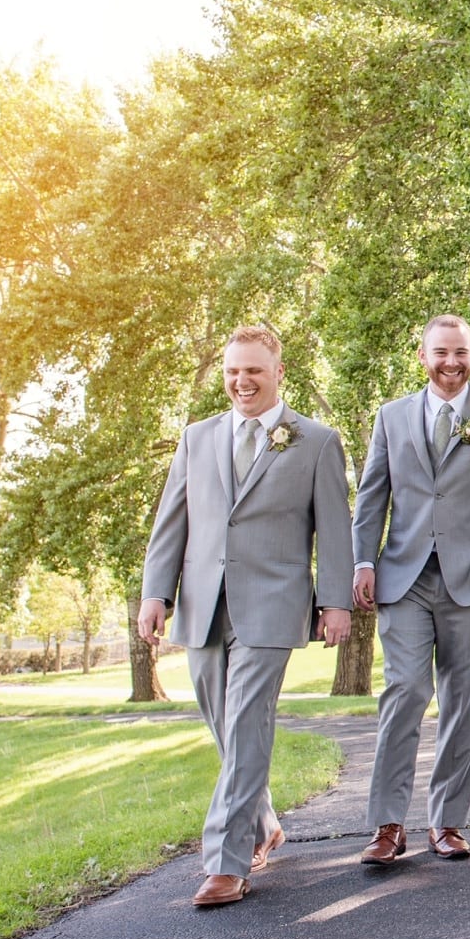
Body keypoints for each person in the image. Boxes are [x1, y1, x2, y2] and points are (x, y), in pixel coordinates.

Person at [139, 326, 354, 907]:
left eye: (254, 370)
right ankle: (264, 824)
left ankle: (226, 862)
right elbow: (171, 521)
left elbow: (335, 529)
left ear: (279, 372)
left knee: (245, 721)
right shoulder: (197, 437)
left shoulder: (315, 440)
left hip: (274, 601)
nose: (242, 381)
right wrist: (154, 592)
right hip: (203, 602)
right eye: (234, 371)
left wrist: (335, 601)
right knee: (224, 724)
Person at [351, 315, 470, 865]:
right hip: (403, 577)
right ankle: (387, 823)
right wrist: (362, 561)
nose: (452, 362)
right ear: (422, 355)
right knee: (405, 691)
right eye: (441, 352)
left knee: (463, 702)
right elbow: (372, 495)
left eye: (461, 353)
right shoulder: (391, 415)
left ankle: (447, 820)